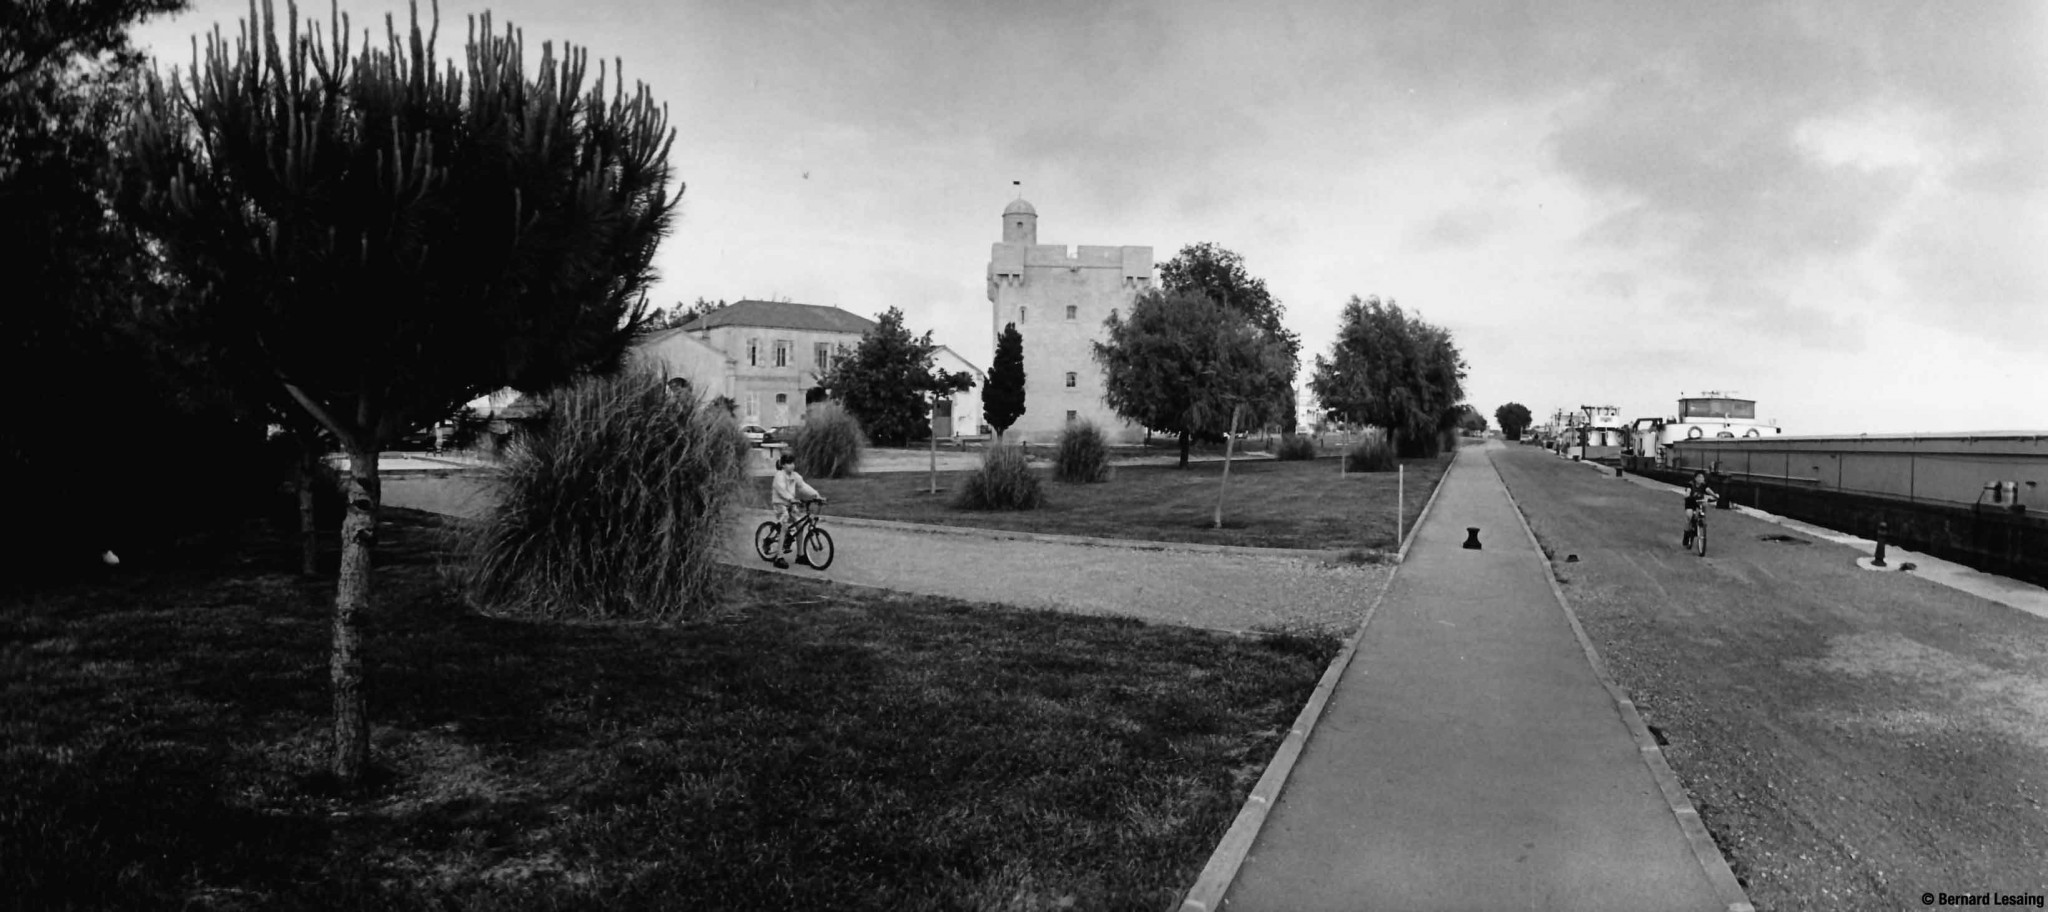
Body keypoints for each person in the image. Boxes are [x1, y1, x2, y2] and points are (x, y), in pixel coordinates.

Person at [769, 452, 823, 569]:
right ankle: (778, 557)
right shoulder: (779, 475)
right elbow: (780, 489)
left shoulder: (794, 476)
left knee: (800, 525)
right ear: (783, 465)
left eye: (793, 463)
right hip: (780, 504)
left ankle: (800, 555)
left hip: (790, 504)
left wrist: (816, 495)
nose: (792, 465)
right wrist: (791, 499)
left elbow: (803, 486)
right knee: (785, 526)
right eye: (788, 463)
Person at [1682, 471, 1719, 547]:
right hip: (1690, 501)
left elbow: (1708, 490)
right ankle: (1686, 535)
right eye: (1699, 477)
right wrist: (1687, 495)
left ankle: (1701, 522)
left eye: (1702, 477)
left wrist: (1715, 495)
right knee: (1689, 516)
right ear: (1695, 478)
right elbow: (1688, 491)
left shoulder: (1704, 485)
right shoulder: (1691, 484)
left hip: (1699, 502)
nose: (1700, 479)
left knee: (1703, 506)